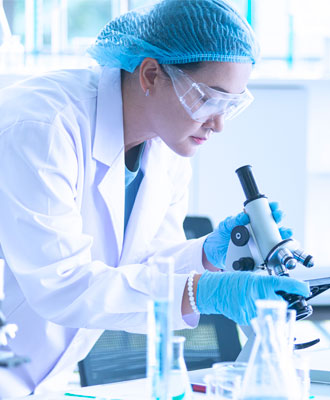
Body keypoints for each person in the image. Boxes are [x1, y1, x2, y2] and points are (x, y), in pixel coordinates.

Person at [0, 0, 309, 397]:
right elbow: (63, 285)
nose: (218, 124)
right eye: (209, 99)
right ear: (151, 74)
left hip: (42, 378)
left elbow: (145, 266)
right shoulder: (43, 129)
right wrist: (207, 291)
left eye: (230, 106)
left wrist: (207, 254)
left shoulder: (167, 145)